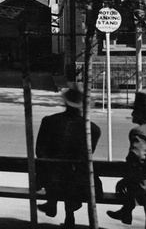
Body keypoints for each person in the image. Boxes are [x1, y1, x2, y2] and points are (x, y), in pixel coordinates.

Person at [36, 85, 102, 228]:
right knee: (74, 172)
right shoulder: (93, 129)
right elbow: (86, 156)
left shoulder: (48, 121)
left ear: (65, 103)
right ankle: (69, 213)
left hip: (52, 180)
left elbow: (39, 151)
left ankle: (53, 203)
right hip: (79, 181)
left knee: (58, 170)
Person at [107, 88, 146, 225]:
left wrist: (125, 179)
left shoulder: (139, 132)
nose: (132, 113)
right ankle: (126, 211)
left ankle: (126, 211)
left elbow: (136, 159)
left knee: (135, 182)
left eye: (135, 109)